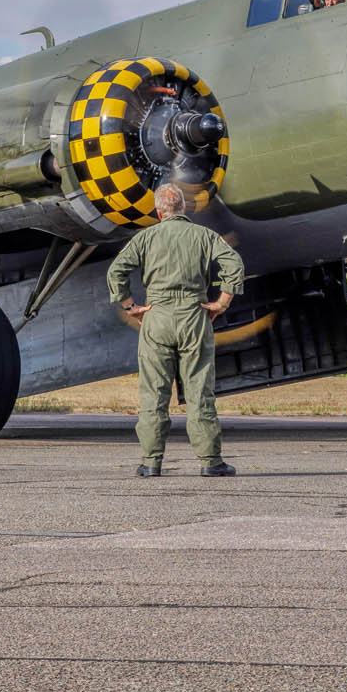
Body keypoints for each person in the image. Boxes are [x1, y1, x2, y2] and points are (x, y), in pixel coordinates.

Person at [106, 181, 247, 478]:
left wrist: (131, 306)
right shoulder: (204, 236)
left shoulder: (146, 238)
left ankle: (150, 462)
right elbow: (233, 263)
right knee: (199, 391)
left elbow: (116, 271)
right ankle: (211, 462)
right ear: (183, 208)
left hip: (156, 317)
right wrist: (221, 302)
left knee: (154, 393)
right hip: (194, 317)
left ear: (159, 213)